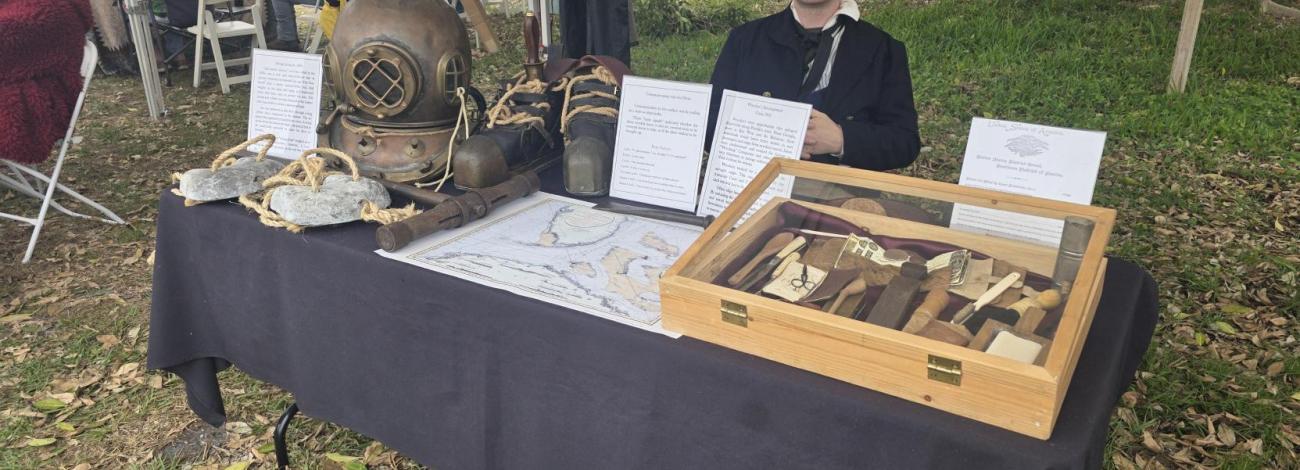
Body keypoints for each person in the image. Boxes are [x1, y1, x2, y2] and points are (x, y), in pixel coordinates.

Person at [709, 0, 920, 171]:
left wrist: (842, 139)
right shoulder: (744, 39)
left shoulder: (884, 50)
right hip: (751, 189)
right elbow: (711, 128)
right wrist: (771, 141)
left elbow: (904, 143)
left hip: (839, 202)